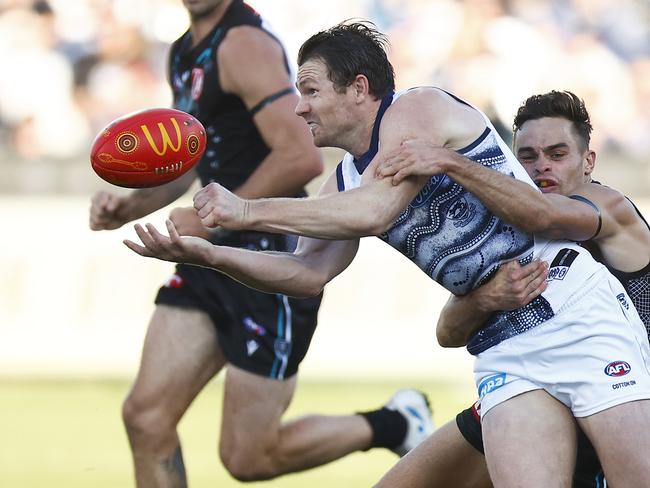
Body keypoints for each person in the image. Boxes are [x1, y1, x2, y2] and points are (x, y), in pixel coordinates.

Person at [124, 21, 650, 487]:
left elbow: (375, 211)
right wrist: (213, 256)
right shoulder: (344, 183)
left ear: (359, 89)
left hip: (572, 308)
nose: (299, 105)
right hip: (502, 345)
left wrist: (246, 212)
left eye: (309, 90)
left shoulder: (415, 109)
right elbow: (306, 273)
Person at [90, 5, 433, 486]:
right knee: (145, 416)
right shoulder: (184, 50)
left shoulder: (242, 44)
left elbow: (299, 155)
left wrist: (213, 220)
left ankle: (395, 423)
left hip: (268, 260)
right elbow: (190, 159)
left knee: (247, 457)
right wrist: (129, 207)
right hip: (207, 256)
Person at [373, 90, 650, 488]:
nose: (542, 169)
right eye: (528, 157)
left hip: (620, 392)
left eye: (557, 154)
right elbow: (447, 332)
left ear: (588, 161)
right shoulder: (509, 226)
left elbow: (544, 214)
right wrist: (488, 297)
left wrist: (449, 160)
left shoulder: (605, 206)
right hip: (531, 392)